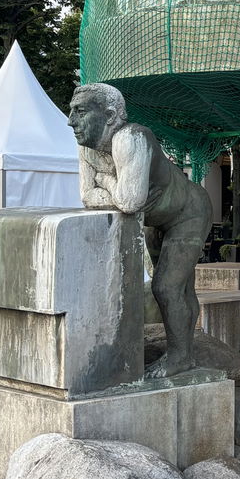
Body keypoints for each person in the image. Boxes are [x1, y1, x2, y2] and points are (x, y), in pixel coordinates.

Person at [69, 83, 212, 380]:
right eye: (72, 112)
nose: (71, 121)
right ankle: (183, 349)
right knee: (177, 288)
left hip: (189, 212)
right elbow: (87, 197)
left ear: (110, 115)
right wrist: (116, 186)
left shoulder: (132, 137)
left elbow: (129, 202)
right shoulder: (87, 147)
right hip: (157, 219)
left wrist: (105, 182)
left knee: (167, 287)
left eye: (80, 112)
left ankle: (181, 356)